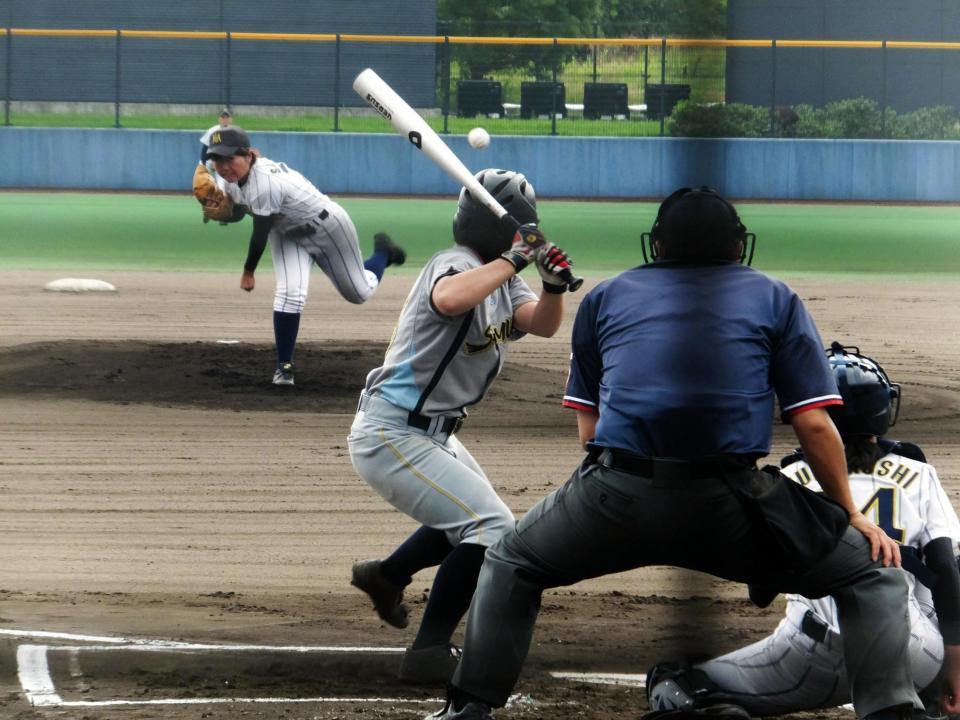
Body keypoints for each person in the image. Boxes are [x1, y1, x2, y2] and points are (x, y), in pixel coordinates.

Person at [431, 186, 924, 720]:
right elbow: (814, 423)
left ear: (657, 246)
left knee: (510, 560)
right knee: (873, 575)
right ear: (739, 246)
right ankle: (891, 711)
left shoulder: (606, 297)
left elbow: (588, 434)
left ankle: (469, 709)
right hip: (732, 502)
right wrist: (850, 514)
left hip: (615, 493)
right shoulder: (775, 298)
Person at [645, 342, 960, 719]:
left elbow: (759, 591)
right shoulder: (918, 473)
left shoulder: (789, 479)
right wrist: (955, 664)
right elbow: (946, 569)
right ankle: (925, 705)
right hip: (912, 653)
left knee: (676, 686)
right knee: (928, 568)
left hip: (814, 656)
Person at [346, 168, 575, 685]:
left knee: (477, 520)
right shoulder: (454, 264)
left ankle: (386, 576)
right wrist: (515, 257)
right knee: (489, 528)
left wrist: (553, 285)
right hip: (392, 432)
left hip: (434, 434)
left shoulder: (502, 277)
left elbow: (539, 323)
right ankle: (428, 650)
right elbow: (449, 300)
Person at [203, 125, 406, 385]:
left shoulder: (267, 182)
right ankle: (284, 367)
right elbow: (242, 210)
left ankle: (382, 253)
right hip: (287, 234)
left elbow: (260, 231)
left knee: (359, 292)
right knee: (290, 293)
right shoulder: (226, 181)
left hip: (327, 226)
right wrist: (217, 212)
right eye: (216, 159)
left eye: (229, 158)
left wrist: (248, 271)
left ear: (249, 155)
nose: (223, 166)